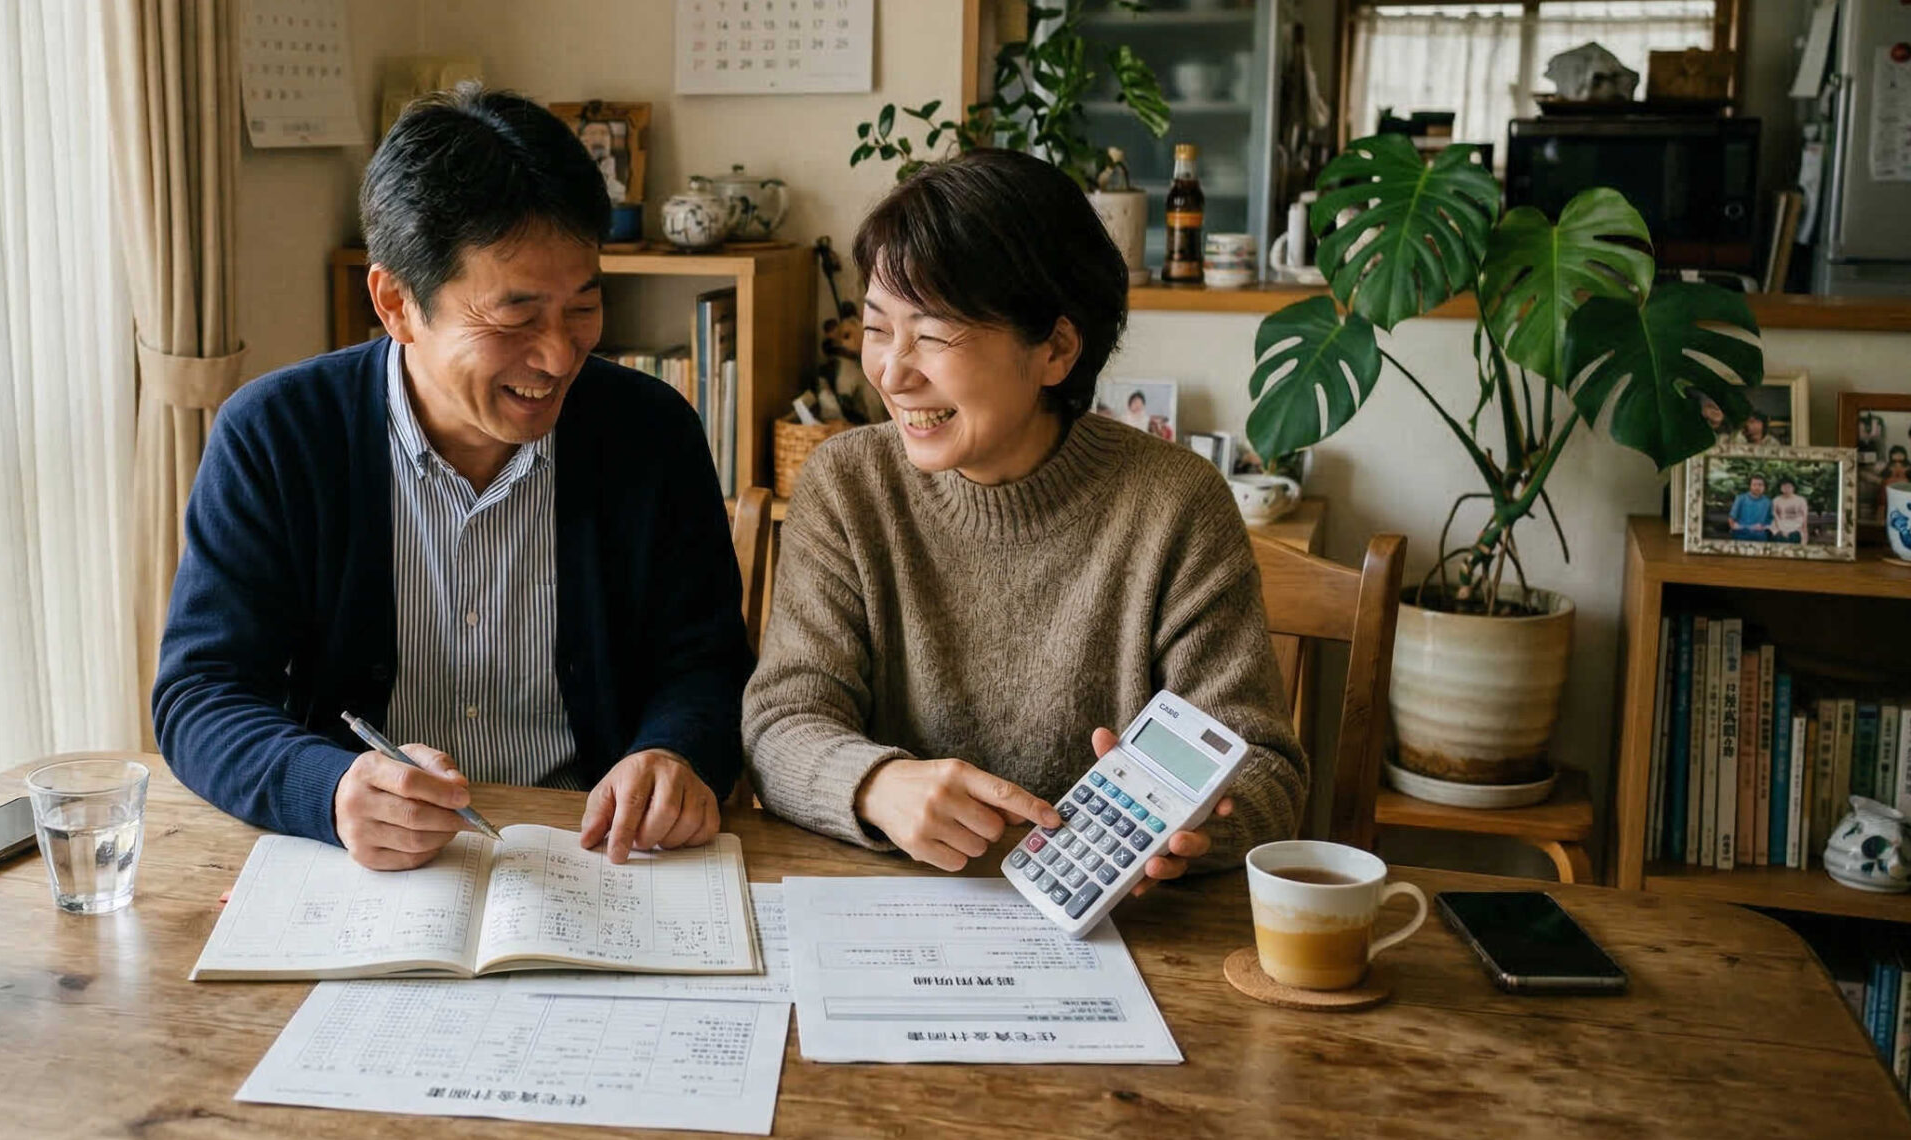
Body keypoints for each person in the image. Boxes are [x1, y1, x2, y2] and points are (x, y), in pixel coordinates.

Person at [153, 84, 750, 870]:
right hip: (364, 868)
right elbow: (201, 694)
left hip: (596, 860)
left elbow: (707, 666)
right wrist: (330, 787)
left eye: (582, 306)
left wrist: (673, 751)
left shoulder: (651, 432)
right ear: (396, 302)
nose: (559, 355)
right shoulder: (276, 435)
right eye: (516, 317)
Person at [742, 149, 1305, 889]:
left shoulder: (1174, 504)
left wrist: (1196, 824)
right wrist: (876, 784)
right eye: (878, 328)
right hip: (895, 908)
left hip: (1112, 922)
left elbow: (1263, 770)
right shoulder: (848, 485)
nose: (892, 372)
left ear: (1056, 349)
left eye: (933, 335)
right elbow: (781, 723)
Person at [1728, 475, 1774, 540]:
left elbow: (1770, 520)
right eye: (1754, 485)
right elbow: (1731, 519)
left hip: (1759, 534)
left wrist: (1764, 527)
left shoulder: (1767, 502)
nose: (1757, 487)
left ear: (1764, 487)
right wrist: (1748, 527)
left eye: (1760, 485)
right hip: (1741, 532)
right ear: (1750, 486)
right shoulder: (1741, 499)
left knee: (1762, 535)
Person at [1770, 477, 1810, 544]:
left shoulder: (1801, 500)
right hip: (1781, 527)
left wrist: (1805, 532)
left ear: (1793, 488)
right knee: (1779, 537)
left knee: (1794, 536)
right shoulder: (1776, 501)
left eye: (1789, 486)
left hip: (1796, 528)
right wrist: (1779, 529)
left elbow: (1804, 518)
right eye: (1784, 486)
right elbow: (1775, 517)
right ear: (1781, 488)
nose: (1786, 489)